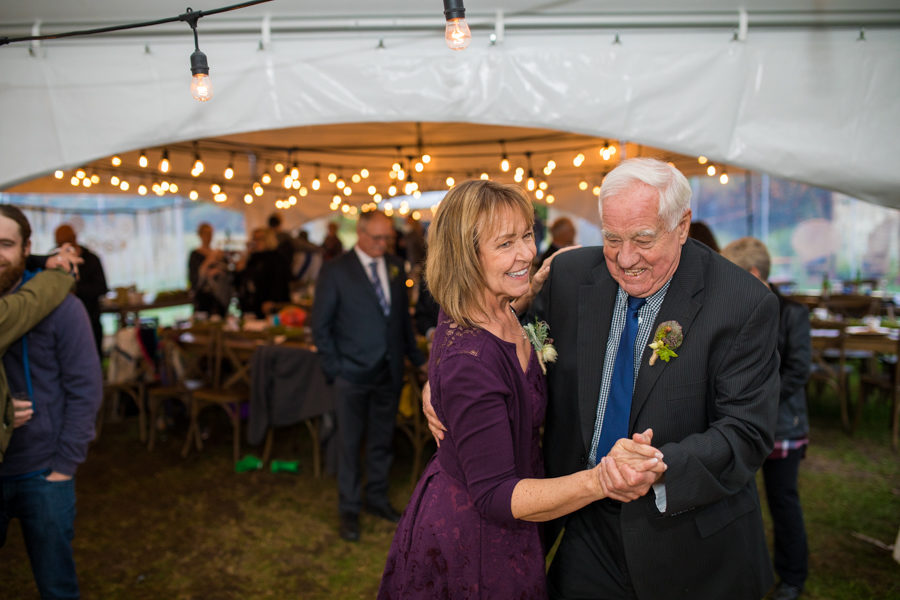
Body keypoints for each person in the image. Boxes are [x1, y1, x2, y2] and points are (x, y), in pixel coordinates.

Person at [427, 158, 780, 599]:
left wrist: (655, 469)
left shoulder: (742, 303)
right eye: (612, 238)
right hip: (584, 527)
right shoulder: (571, 277)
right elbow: (487, 317)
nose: (626, 258)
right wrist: (441, 377)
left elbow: (747, 432)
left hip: (689, 541)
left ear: (683, 225)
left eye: (643, 239)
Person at [379, 180, 665, 599]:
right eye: (506, 243)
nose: (528, 253)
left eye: (528, 235)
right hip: (476, 540)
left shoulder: (491, 305)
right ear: (465, 257)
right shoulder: (469, 364)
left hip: (515, 524)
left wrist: (528, 287)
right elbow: (497, 494)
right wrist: (603, 481)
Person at [0, 206, 102, 599]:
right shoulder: (46, 292)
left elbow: (85, 387)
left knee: (56, 585)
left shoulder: (64, 308)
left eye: (6, 244)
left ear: (26, 247)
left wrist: (64, 465)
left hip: (41, 471)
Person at [311, 210, 428, 542]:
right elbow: (321, 328)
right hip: (350, 374)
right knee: (349, 445)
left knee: (382, 441)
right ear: (360, 235)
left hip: (388, 372)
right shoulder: (335, 271)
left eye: (387, 238)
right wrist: (336, 370)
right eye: (377, 238)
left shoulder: (394, 266)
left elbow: (402, 323)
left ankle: (376, 499)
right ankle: (349, 508)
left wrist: (416, 359)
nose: (382, 244)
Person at [722, 237, 810, 600]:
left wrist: (759, 402)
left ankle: (792, 577)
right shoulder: (735, 309)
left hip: (782, 426)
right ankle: (742, 571)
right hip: (742, 425)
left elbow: (798, 369)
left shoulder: (792, 313)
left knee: (783, 502)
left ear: (755, 275)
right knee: (739, 503)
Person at [54, 223, 108, 356]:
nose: (64, 246)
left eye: (67, 242)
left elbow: (101, 287)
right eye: (60, 243)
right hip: (64, 324)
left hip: (91, 320)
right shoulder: (53, 261)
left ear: (75, 238)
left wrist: (75, 289)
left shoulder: (91, 259)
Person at [234, 228, 291, 319]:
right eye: (254, 239)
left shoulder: (276, 258)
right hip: (253, 305)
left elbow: (279, 282)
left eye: (260, 239)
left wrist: (272, 300)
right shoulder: (252, 258)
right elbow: (240, 280)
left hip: (270, 304)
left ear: (268, 239)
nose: (256, 242)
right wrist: (244, 259)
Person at [187, 222, 231, 318]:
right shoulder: (195, 254)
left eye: (210, 233)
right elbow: (194, 278)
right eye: (206, 233)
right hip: (203, 297)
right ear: (200, 235)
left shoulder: (218, 253)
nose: (208, 236)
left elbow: (227, 273)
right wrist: (208, 264)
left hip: (218, 297)